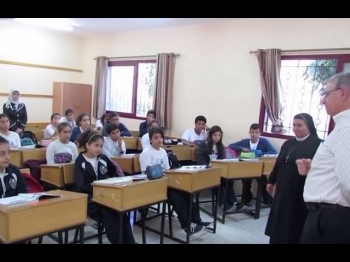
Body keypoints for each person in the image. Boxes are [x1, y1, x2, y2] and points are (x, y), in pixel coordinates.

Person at [297, 72, 350, 244]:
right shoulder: (343, 126)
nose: (322, 100)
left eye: (326, 94)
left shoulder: (346, 129)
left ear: (343, 93)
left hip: (332, 218)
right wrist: (317, 169)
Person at [139, 127, 212, 234]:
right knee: (176, 194)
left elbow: (168, 170)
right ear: (150, 140)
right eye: (155, 138)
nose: (159, 140)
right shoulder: (146, 152)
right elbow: (146, 173)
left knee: (186, 191)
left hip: (166, 182)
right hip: (153, 184)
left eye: (160, 137)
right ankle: (187, 225)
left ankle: (197, 221)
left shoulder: (163, 151)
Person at [264, 113, 322, 244]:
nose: (295, 128)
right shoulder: (288, 143)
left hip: (299, 192)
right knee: (279, 222)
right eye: (294, 125)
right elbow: (279, 163)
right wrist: (271, 181)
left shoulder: (317, 144)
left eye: (299, 125)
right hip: (282, 190)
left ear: (309, 126)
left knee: (294, 225)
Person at [74, 130, 136, 244]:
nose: (99, 148)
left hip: (107, 196)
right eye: (96, 145)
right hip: (91, 200)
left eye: (101, 146)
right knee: (109, 212)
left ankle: (131, 242)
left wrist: (111, 181)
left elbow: (115, 172)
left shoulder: (103, 158)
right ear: (87, 145)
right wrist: (99, 188)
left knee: (120, 209)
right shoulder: (80, 162)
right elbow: (81, 186)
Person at [229, 123, 277, 206]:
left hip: (260, 168)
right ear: (249, 133)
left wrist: (261, 153)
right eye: (252, 132)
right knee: (246, 181)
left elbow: (274, 152)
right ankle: (247, 198)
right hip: (247, 169)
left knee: (263, 181)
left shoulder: (264, 141)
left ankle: (268, 200)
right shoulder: (245, 142)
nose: (254, 134)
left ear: (259, 133)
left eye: (256, 132)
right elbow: (231, 146)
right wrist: (241, 148)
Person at [196, 125, 239, 211]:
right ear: (210, 135)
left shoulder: (220, 146)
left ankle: (233, 202)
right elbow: (201, 161)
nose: (217, 137)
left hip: (218, 170)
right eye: (215, 135)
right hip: (206, 170)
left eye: (219, 135)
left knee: (228, 180)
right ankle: (222, 203)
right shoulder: (203, 145)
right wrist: (209, 167)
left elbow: (221, 160)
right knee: (216, 182)